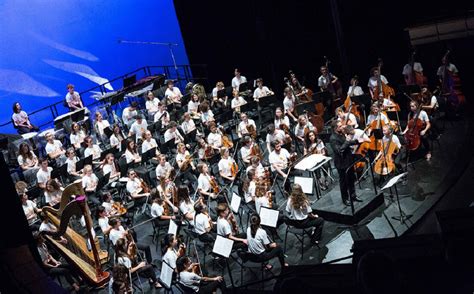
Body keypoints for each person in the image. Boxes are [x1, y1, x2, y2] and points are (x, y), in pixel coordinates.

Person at [330, 120, 362, 206]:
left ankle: (353, 195)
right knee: (344, 182)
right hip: (341, 163)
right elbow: (339, 150)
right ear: (335, 128)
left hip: (348, 160)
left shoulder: (342, 134)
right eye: (340, 126)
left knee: (351, 179)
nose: (343, 127)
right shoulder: (333, 138)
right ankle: (345, 199)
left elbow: (347, 143)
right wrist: (347, 141)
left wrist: (357, 141)